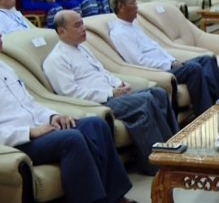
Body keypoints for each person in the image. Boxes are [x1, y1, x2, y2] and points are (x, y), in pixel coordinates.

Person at [0, 11, 134, 203]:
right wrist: (29, 132)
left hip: (39, 128)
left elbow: (29, 104)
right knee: (71, 139)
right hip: (16, 142)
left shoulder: (0, 66)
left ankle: (116, 197)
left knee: (95, 124)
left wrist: (52, 116)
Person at [43, 10, 179, 176]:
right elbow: (71, 94)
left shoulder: (82, 49)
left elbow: (103, 73)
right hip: (98, 102)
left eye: (82, 23)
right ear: (62, 31)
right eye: (77, 25)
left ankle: (175, 145)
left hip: (113, 93)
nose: (83, 28)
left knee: (158, 93)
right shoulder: (56, 59)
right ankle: (157, 162)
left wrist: (119, 84)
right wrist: (111, 92)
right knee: (145, 100)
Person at [109, 0, 219, 116]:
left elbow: (157, 49)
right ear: (121, 7)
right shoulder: (120, 33)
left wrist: (173, 60)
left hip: (169, 63)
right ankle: (205, 115)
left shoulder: (133, 27)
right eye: (133, 3)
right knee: (194, 69)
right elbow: (139, 62)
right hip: (159, 70)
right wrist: (170, 65)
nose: (137, 6)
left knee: (207, 59)